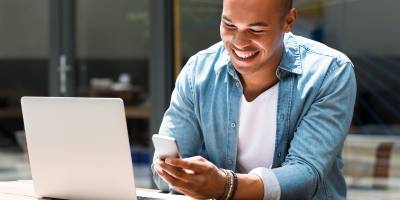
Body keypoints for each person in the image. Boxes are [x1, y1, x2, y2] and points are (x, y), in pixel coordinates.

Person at [152, 0, 357, 199]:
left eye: (256, 30)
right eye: (229, 25)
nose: (239, 42)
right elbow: (165, 171)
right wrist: (174, 172)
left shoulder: (329, 72)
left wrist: (225, 186)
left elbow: (306, 174)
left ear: (288, 21)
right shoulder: (198, 71)